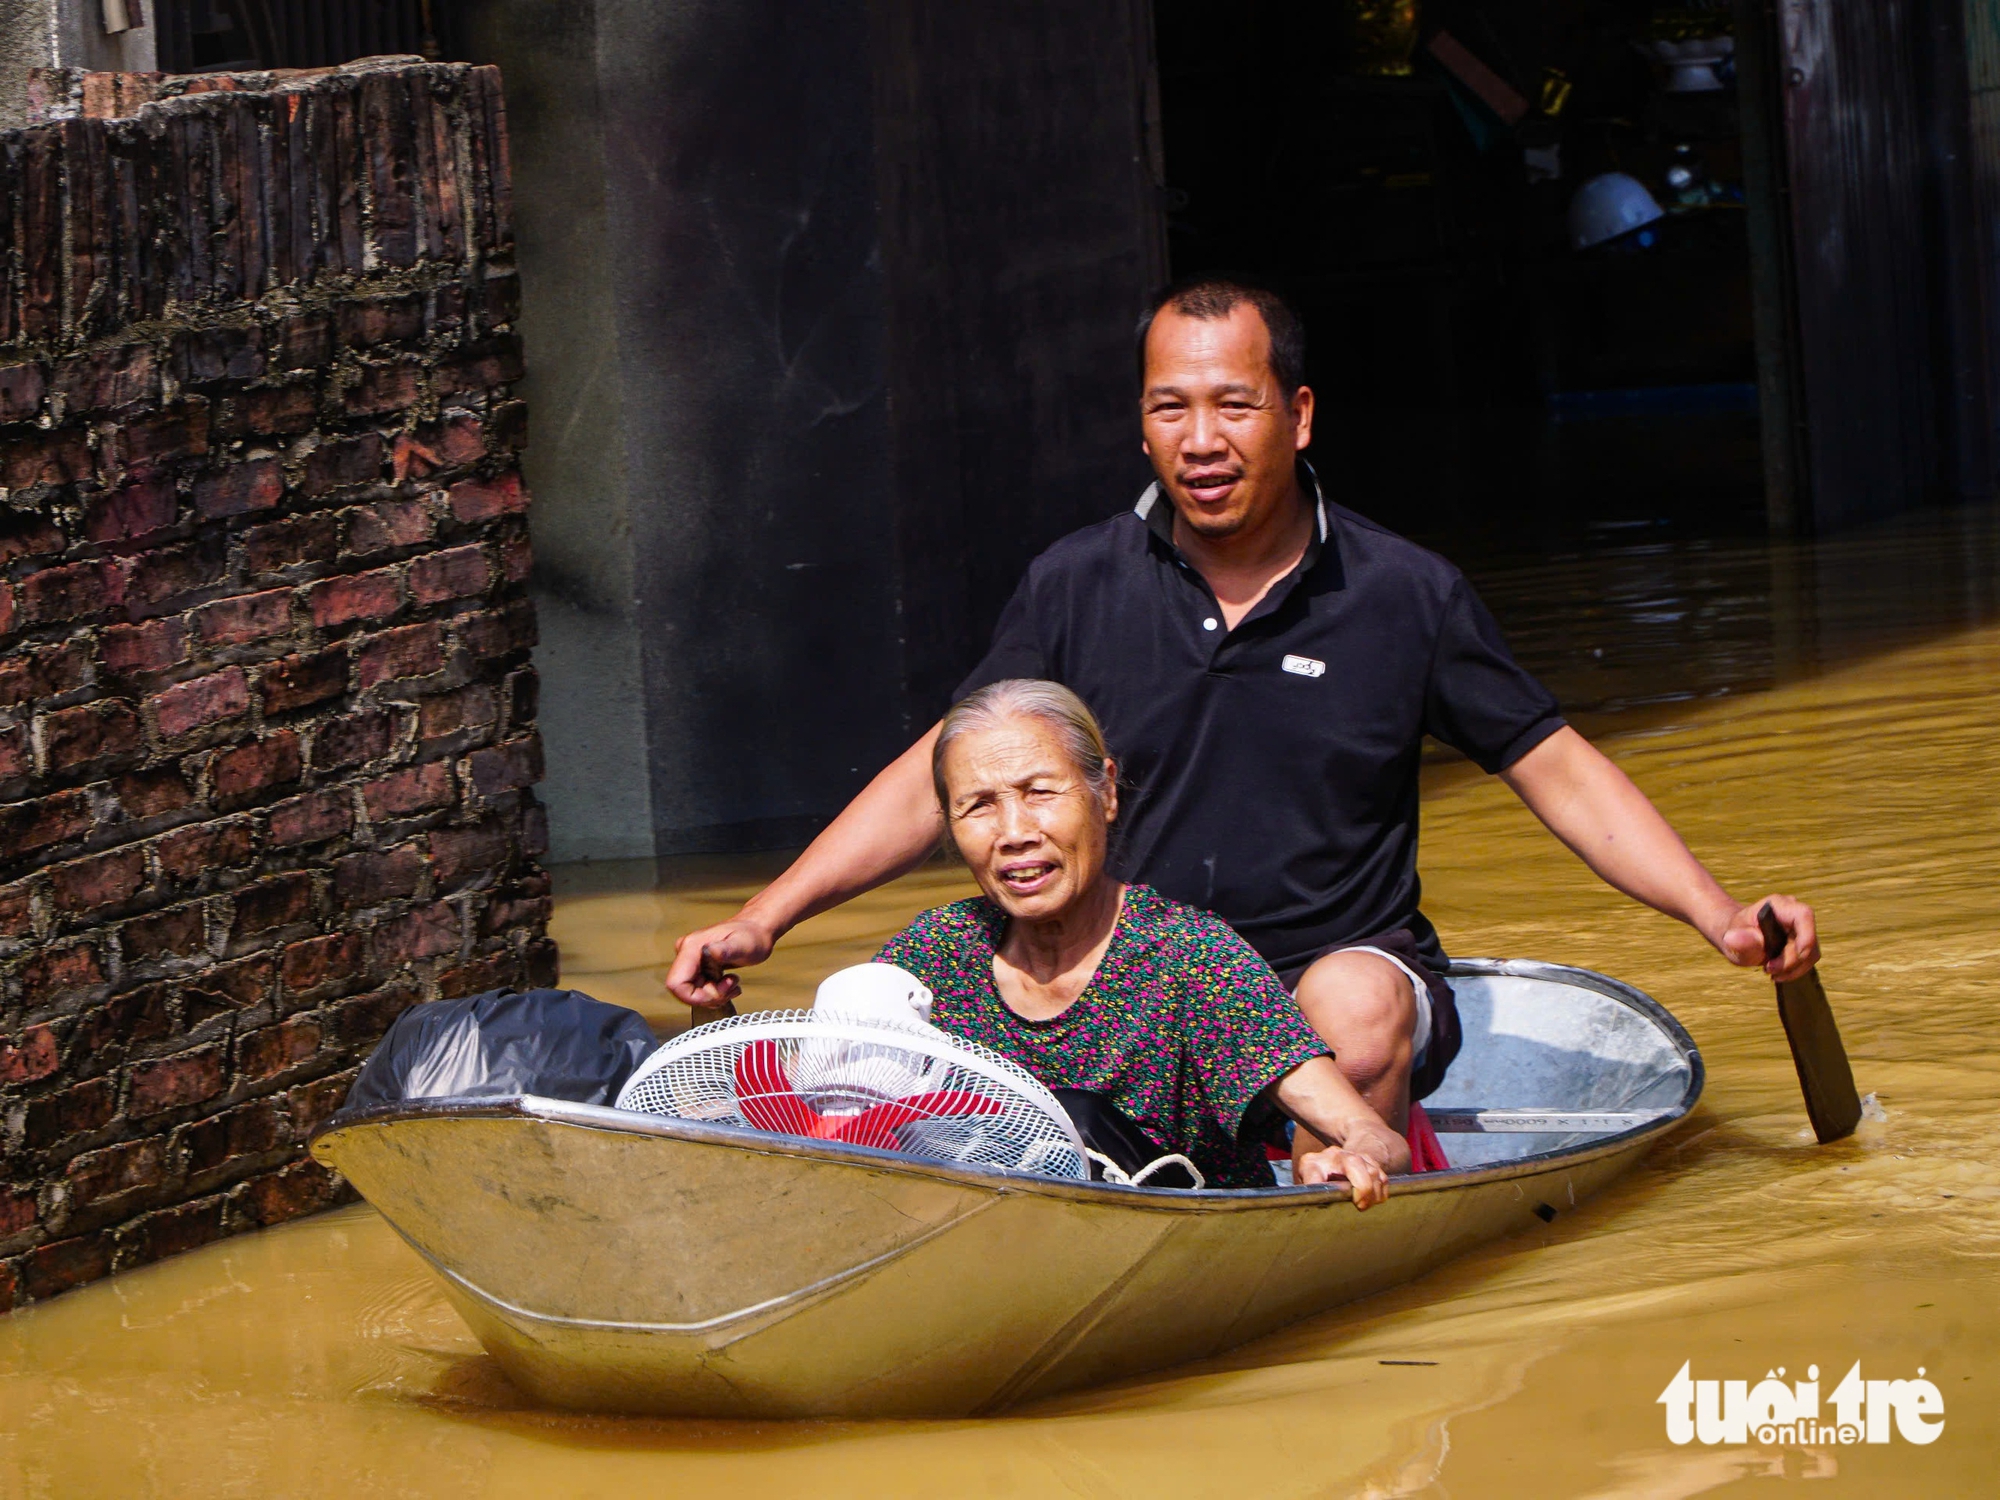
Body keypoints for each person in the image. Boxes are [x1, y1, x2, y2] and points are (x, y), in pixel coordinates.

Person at [668, 275, 1819, 1144]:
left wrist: (1715, 914)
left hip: (1334, 974)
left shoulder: (1403, 594)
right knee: (874, 1007)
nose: (1200, 441)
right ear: (1140, 425)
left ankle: (1336, 1205)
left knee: (1350, 1004)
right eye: (1169, 408)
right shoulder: (1074, 585)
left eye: (1233, 405)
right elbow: (947, 772)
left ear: (1298, 414)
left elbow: (1555, 767)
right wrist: (765, 920)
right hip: (1131, 979)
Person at [874, 678, 1408, 1199]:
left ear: (1105, 792)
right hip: (989, 1234)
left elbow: (1367, 1131)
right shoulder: (936, 952)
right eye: (979, 806)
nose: (1014, 833)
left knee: (1076, 1119)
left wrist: (1355, 1155)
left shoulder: (1190, 957)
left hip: (1190, 1239)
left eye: (1040, 793)